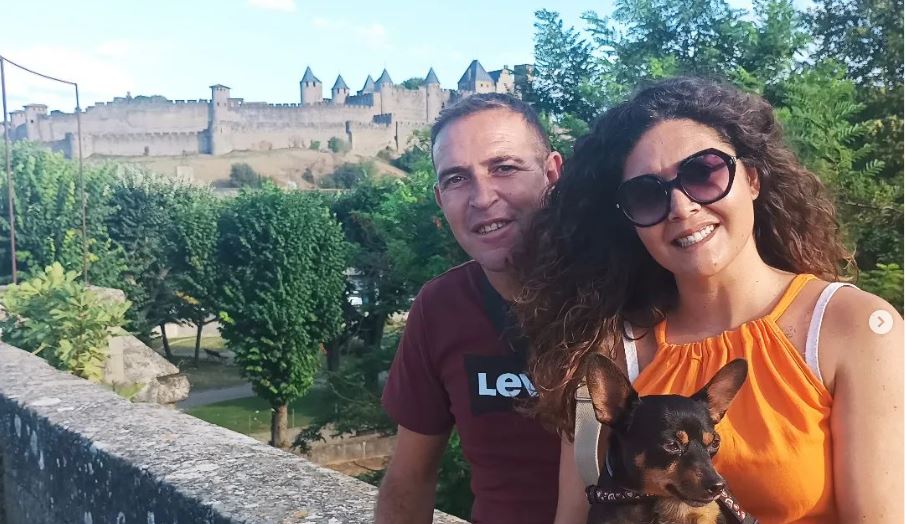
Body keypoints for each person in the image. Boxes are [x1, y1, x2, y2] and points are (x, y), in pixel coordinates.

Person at [515, 77, 904, 523]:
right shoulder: (607, 350)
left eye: (703, 173)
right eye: (647, 195)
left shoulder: (851, 327)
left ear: (752, 178)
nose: (681, 207)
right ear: (630, 221)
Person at [376, 93, 564, 523]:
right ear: (440, 199)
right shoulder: (441, 308)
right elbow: (409, 480)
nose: (482, 198)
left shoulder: (625, 291)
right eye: (457, 179)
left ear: (552, 174)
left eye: (504, 168)